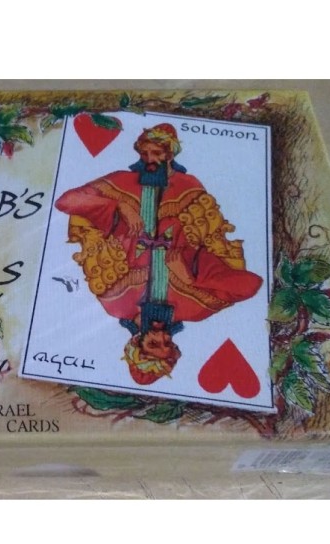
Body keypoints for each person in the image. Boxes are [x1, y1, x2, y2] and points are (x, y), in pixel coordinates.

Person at [55, 123, 263, 385]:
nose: (162, 335)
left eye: (153, 343)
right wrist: (190, 279)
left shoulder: (113, 303)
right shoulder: (195, 310)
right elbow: (251, 285)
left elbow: (66, 203)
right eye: (167, 343)